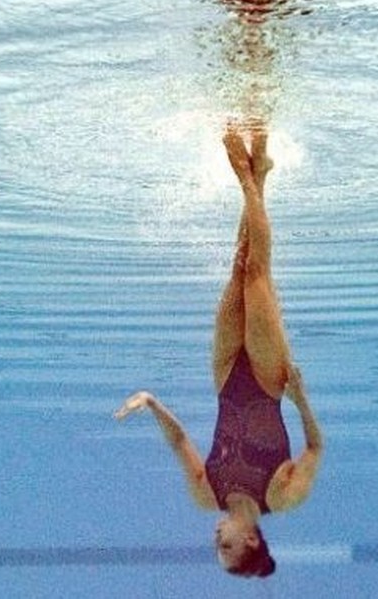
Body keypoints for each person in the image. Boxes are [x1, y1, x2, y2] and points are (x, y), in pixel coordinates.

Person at [115, 124, 322, 577]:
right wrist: (301, 399)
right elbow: (314, 448)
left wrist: (151, 402)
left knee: (237, 266)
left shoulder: (206, 494)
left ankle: (259, 173)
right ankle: (247, 177)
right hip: (269, 381)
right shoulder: (281, 497)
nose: (216, 538)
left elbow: (179, 441)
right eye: (226, 546)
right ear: (251, 539)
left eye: (216, 546)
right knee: (257, 273)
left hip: (226, 376)